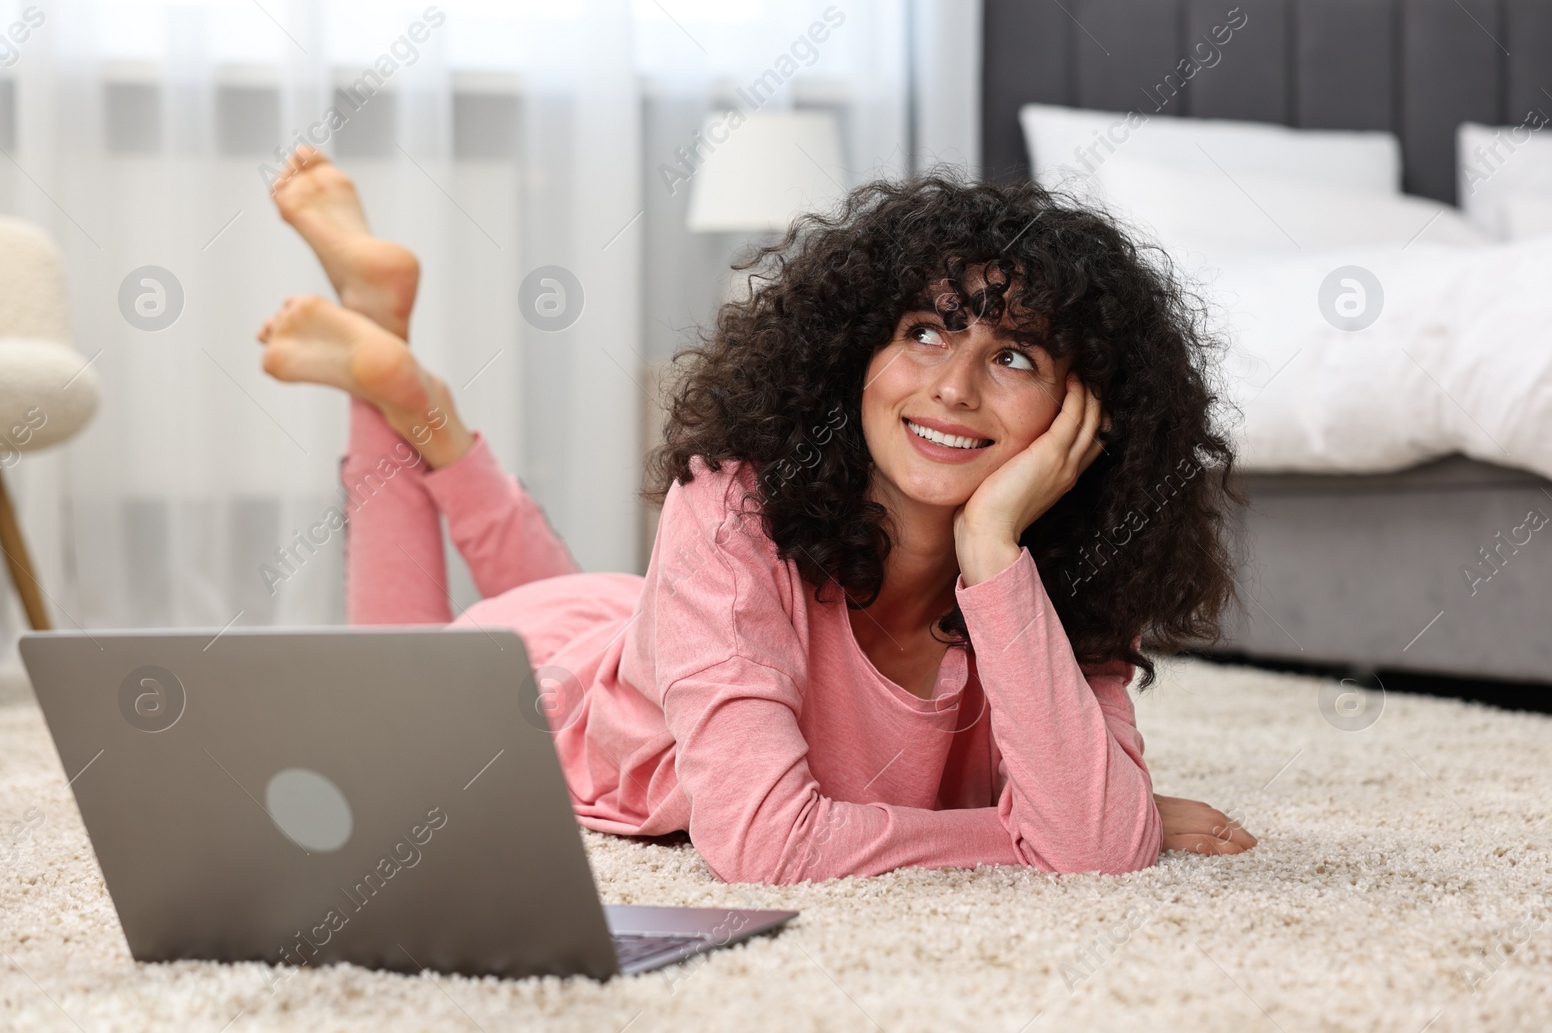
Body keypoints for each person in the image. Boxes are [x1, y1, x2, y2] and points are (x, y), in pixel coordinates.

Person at [256, 145, 1258, 884]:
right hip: (550, 697)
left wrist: (993, 548)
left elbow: (1093, 845)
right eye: (922, 332)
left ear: (1081, 418)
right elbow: (768, 844)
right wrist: (1030, 825)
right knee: (388, 692)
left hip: (642, 630)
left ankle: (396, 367)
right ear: (853, 356)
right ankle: (391, 377)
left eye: (1012, 357)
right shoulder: (737, 503)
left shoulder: (1067, 568)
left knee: (620, 612)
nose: (952, 389)